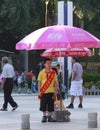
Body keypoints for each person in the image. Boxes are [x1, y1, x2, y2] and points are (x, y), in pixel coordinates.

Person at [37, 58, 58, 122]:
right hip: (43, 91)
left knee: (51, 104)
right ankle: (44, 116)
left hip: (51, 91)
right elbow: (39, 82)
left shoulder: (53, 73)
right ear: (44, 64)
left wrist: (55, 91)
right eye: (47, 63)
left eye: (50, 63)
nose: (49, 65)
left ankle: (50, 116)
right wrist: (39, 91)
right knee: (43, 104)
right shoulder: (41, 72)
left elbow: (55, 82)